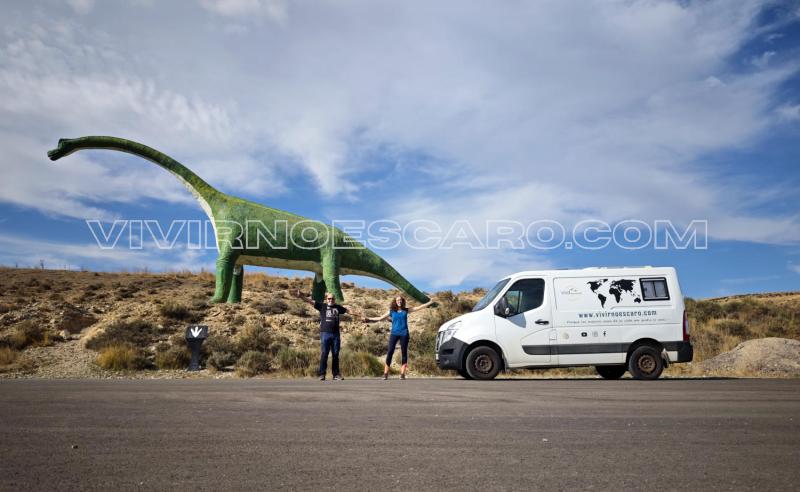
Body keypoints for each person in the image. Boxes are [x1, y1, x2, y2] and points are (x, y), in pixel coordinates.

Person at [364, 296, 434, 380]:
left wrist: (430, 302)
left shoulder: (406, 310)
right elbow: (380, 318)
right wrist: (369, 319)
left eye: (400, 300)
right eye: (397, 300)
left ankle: (402, 374)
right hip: (394, 333)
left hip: (404, 333)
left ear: (402, 301)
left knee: (404, 352)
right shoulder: (391, 311)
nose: (399, 301)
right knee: (390, 352)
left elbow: (418, 308)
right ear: (395, 302)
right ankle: (386, 373)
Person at [294, 289, 351, 381]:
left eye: (332, 299)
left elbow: (349, 311)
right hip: (325, 334)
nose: (330, 300)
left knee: (335, 354)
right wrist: (301, 296)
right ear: (326, 299)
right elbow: (310, 301)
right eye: (329, 299)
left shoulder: (338, 307)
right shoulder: (322, 306)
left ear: (334, 299)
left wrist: (360, 315)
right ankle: (322, 374)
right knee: (324, 353)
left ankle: (336, 374)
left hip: (336, 334)